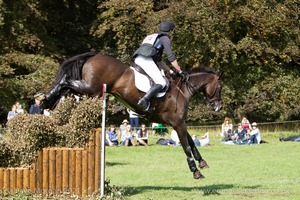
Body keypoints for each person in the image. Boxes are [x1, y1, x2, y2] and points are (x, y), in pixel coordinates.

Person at [133, 20, 182, 111]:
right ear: (169, 31)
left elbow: (159, 61)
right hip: (146, 60)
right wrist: (179, 70)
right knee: (161, 82)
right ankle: (144, 100)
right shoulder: (165, 38)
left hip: (138, 59)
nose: (171, 33)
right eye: (172, 31)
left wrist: (170, 71)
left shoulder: (151, 37)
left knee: (155, 80)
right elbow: (170, 56)